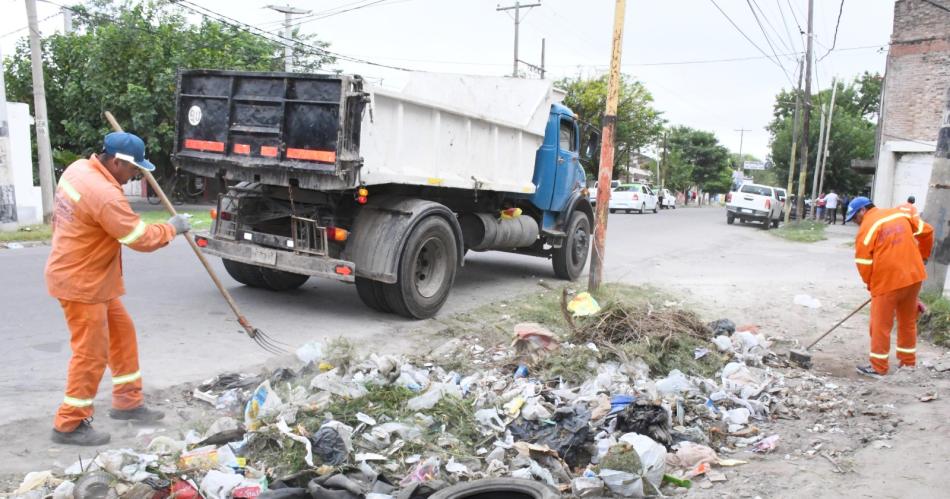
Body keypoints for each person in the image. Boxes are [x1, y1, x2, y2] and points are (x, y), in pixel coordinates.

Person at [45, 132, 191, 445]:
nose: (136, 174)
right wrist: (173, 228)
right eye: (134, 169)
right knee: (91, 354)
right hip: (82, 283)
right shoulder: (104, 194)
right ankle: (69, 424)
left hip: (92, 276)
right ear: (116, 162)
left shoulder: (78, 170)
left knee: (122, 335)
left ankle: (127, 402)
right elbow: (140, 238)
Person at [846, 196, 934, 378]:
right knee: (907, 321)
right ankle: (908, 364)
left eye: (855, 217)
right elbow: (928, 232)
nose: (855, 222)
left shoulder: (867, 228)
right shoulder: (897, 215)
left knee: (879, 325)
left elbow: (863, 263)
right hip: (914, 277)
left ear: (863, 210)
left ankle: (878, 367)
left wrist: (872, 285)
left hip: (888, 281)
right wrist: (923, 257)